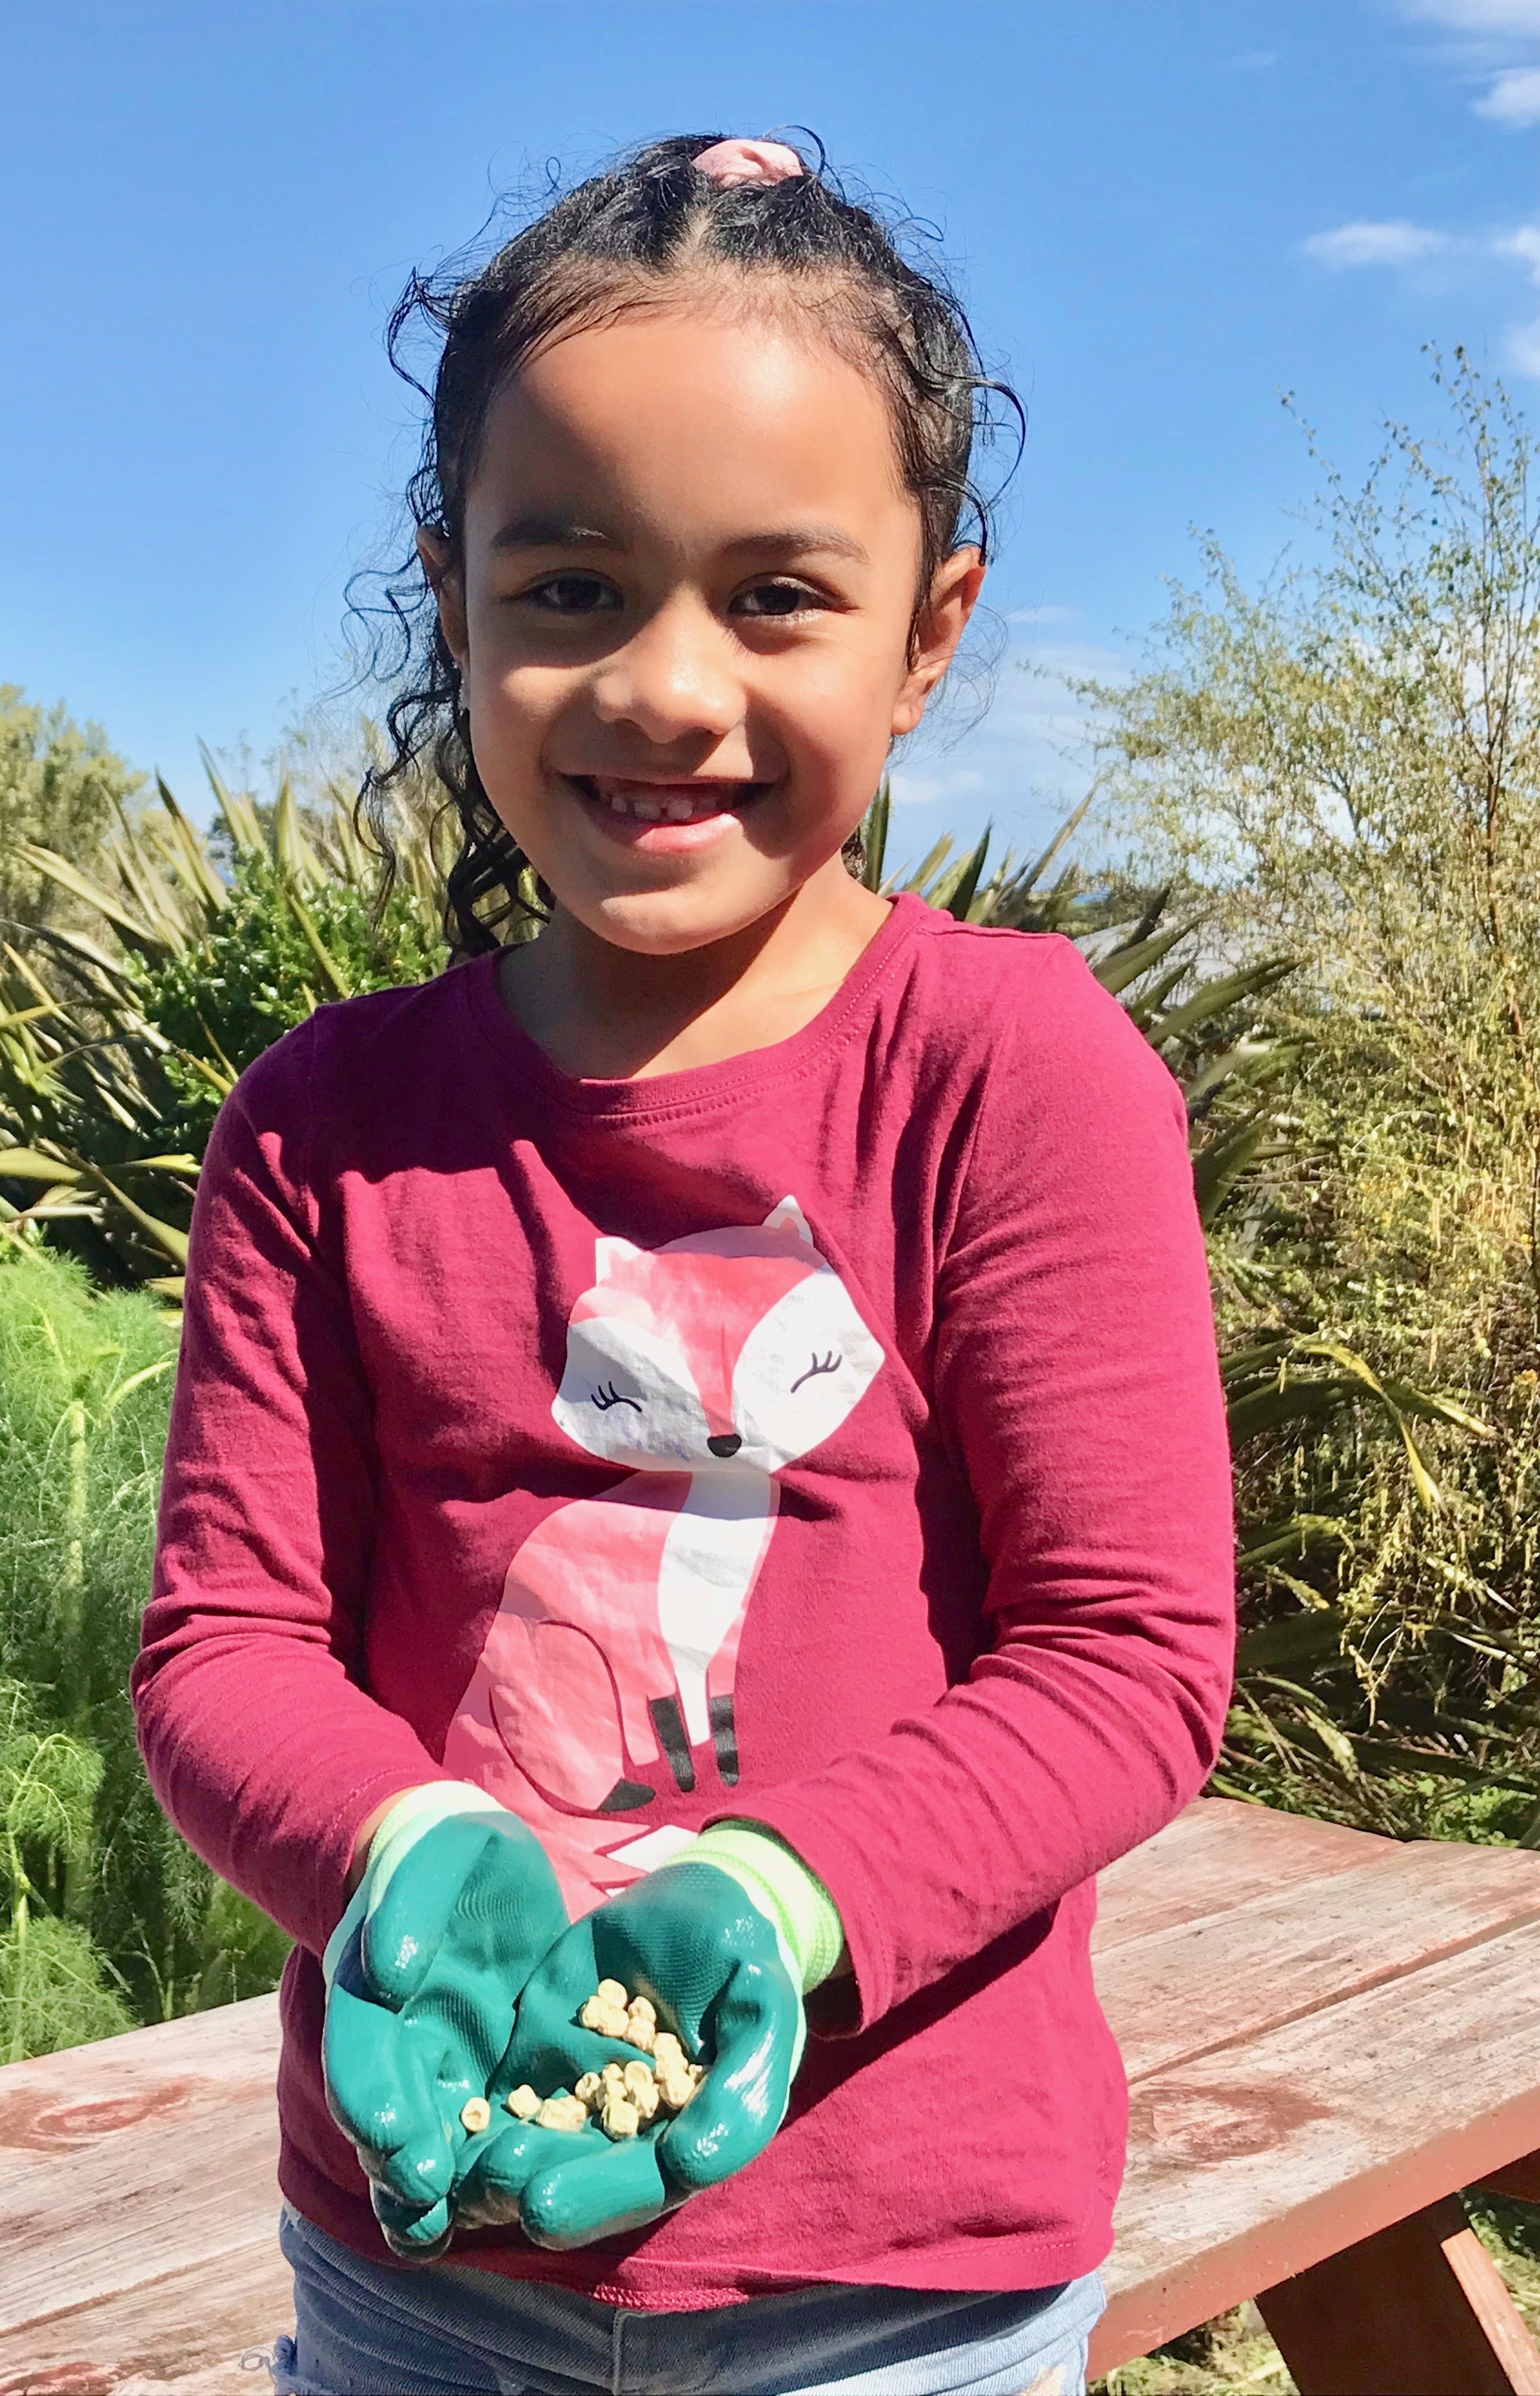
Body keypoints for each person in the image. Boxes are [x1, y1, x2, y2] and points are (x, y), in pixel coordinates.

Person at [135, 131, 1235, 2396]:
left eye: (774, 595)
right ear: (452, 601)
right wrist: (406, 1843)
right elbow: (223, 1646)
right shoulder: (325, 1130)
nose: (661, 686)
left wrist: (783, 1896)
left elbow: (1128, 1656)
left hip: (899, 2275)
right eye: (567, 589)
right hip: (415, 2255)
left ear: (930, 633)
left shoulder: (1011, 1071)